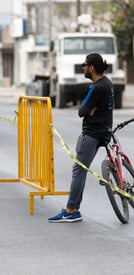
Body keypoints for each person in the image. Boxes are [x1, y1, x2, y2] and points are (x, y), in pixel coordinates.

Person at [48, 53, 113, 223]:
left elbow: (81, 111)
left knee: (79, 170)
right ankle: (74, 208)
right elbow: (87, 109)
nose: (82, 67)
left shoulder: (97, 87)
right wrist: (89, 109)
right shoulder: (107, 83)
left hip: (92, 133)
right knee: (81, 170)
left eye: (84, 65)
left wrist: (88, 109)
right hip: (105, 131)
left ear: (91, 68)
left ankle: (71, 210)